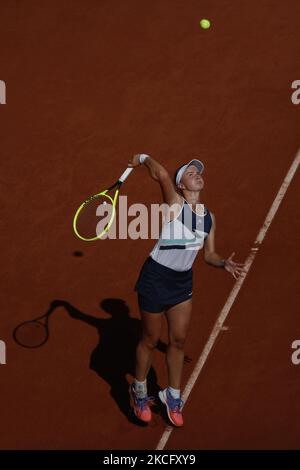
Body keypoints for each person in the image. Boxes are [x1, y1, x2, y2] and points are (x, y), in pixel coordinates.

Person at [127, 154, 245, 427]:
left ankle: (172, 396)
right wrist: (144, 158)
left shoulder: (209, 218)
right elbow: (162, 175)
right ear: (182, 185)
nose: (197, 175)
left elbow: (209, 254)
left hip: (182, 283)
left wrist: (223, 262)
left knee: (178, 340)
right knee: (150, 339)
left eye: (199, 172)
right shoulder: (175, 204)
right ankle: (140, 390)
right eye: (191, 173)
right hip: (155, 277)